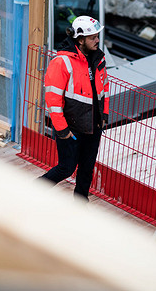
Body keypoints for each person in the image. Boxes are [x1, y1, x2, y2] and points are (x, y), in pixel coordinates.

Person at [40, 15, 109, 201]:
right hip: (71, 128)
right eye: (93, 37)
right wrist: (63, 131)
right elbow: (53, 100)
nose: (97, 40)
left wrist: (104, 116)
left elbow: (104, 89)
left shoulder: (98, 59)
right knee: (66, 168)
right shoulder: (61, 63)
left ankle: (80, 203)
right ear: (80, 40)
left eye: (97, 36)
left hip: (93, 126)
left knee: (87, 169)